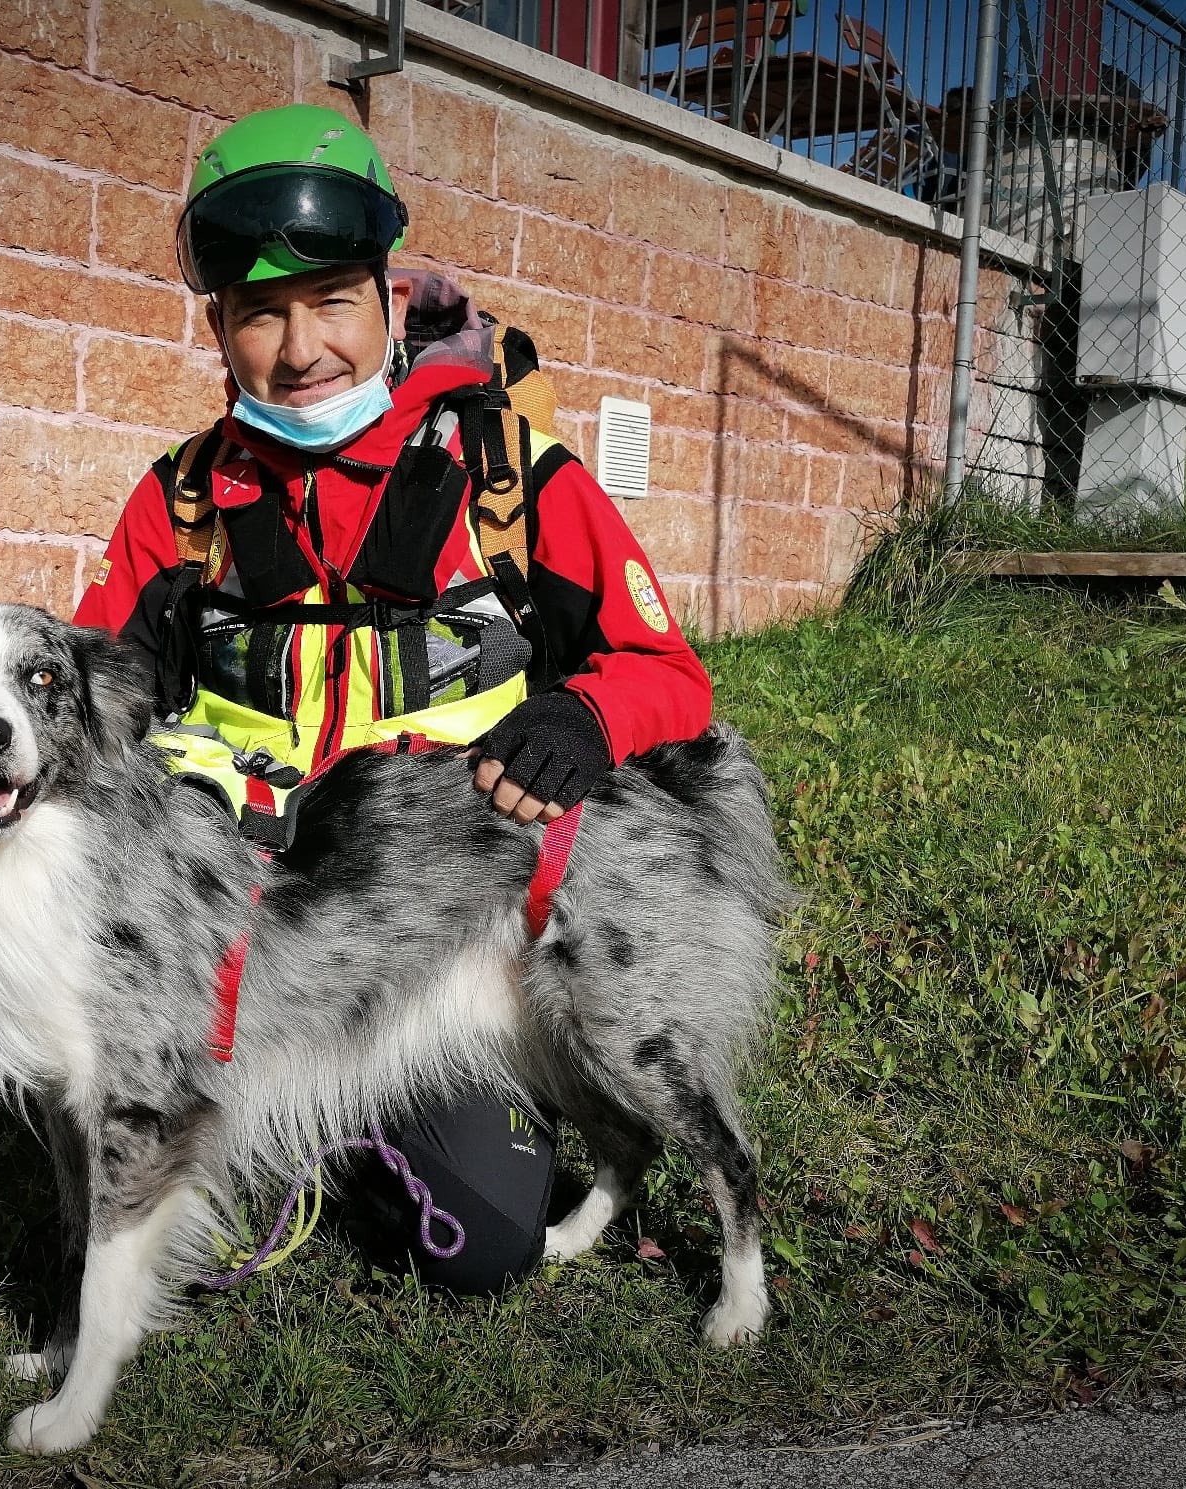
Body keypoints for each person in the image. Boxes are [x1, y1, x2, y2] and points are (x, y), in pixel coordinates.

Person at [72, 103, 714, 1293]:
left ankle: (344, 1126)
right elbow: (80, 723)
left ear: (385, 298)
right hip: (245, 938)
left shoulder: (510, 477)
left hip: (438, 953)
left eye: (329, 303)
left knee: (479, 1252)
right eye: (260, 314)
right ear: (218, 326)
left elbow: (668, 676)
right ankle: (252, 1123)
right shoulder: (178, 505)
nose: (300, 346)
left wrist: (584, 715)